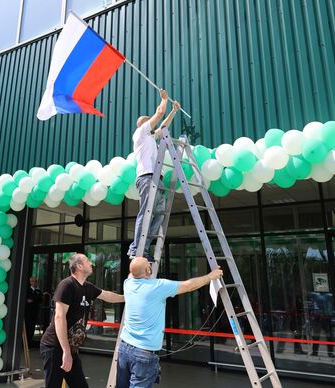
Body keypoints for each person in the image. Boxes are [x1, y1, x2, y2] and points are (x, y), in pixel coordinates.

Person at [116, 257, 223, 387]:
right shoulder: (158, 286)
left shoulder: (128, 283)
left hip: (124, 349)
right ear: (148, 269)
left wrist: (138, 261)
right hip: (143, 353)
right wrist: (211, 276)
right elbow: (189, 285)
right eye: (149, 265)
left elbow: (134, 272)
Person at [40, 253, 125, 388]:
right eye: (87, 261)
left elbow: (107, 295)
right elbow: (59, 317)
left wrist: (128, 297)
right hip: (54, 347)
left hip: (70, 349)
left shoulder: (87, 287)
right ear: (79, 266)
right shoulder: (66, 285)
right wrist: (66, 352)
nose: (91, 263)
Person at [127, 90, 180, 260]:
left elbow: (163, 123)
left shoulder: (150, 137)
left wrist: (173, 111)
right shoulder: (141, 133)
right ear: (143, 124)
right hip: (147, 177)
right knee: (146, 213)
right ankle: (136, 249)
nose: (152, 123)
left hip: (158, 178)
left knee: (157, 215)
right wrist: (164, 99)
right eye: (149, 121)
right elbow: (159, 114)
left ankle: (144, 250)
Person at [25, 276, 43, 347]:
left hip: (35, 312)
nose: (34, 283)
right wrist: (35, 298)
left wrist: (33, 299)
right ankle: (26, 343)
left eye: (35, 281)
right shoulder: (28, 290)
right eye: (33, 281)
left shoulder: (38, 290)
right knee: (27, 327)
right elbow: (28, 299)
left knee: (32, 327)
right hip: (28, 312)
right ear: (30, 282)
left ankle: (30, 342)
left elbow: (40, 299)